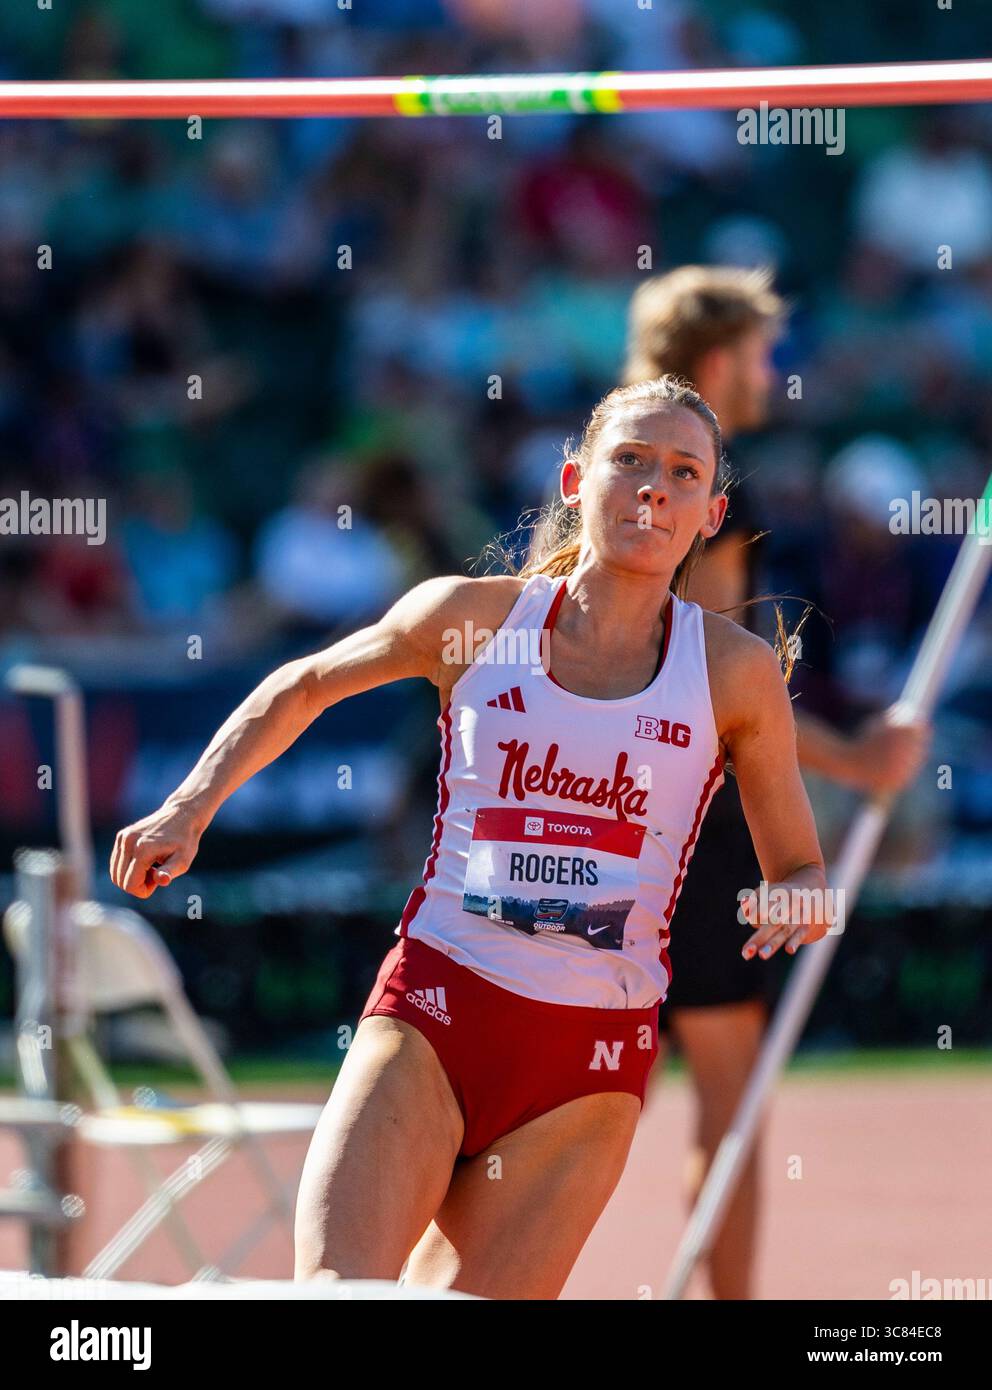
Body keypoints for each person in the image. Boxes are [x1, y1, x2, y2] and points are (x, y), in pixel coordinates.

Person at [110, 375, 831, 1300]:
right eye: (631, 461)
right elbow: (304, 684)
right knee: (339, 1293)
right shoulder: (473, 621)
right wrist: (188, 807)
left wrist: (800, 901)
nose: (654, 487)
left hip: (587, 1067)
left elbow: (801, 864)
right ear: (575, 480)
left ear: (710, 512)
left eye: (683, 473)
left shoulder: (733, 672)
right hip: (436, 1011)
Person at [623, 266, 930, 1299]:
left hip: (596, 805)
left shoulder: (606, 456)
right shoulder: (707, 485)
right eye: (759, 355)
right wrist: (855, 759)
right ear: (716, 361)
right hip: (693, 828)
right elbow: (713, 676)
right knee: (729, 1097)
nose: (769, 374)